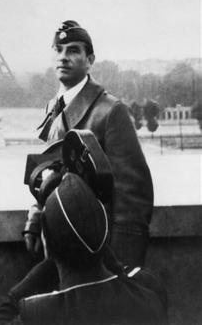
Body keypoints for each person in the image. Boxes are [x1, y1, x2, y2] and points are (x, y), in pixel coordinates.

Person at [24, 20, 154, 268]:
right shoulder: (54, 107)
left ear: (90, 60)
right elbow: (48, 173)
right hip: (59, 248)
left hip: (97, 257)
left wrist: (123, 264)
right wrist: (34, 217)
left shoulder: (111, 111)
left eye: (73, 50)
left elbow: (133, 196)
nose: (63, 57)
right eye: (58, 50)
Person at [17, 173, 167, 325]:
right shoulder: (149, 294)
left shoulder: (36, 314)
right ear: (104, 229)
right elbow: (122, 275)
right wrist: (91, 234)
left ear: (48, 244)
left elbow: (4, 310)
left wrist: (50, 255)